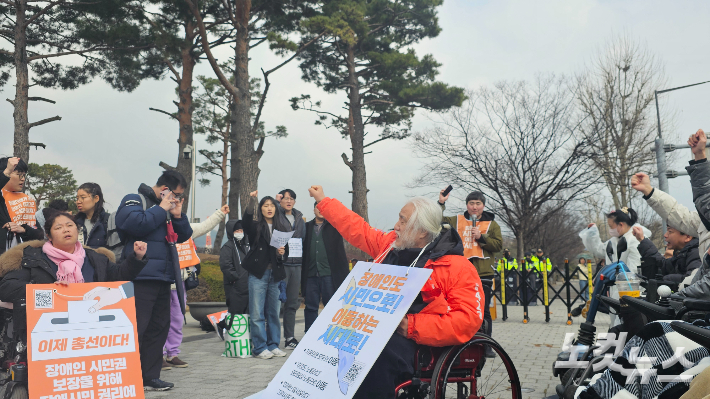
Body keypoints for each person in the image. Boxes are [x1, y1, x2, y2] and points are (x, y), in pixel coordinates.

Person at [309, 185, 483, 398]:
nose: (395, 226)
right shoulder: (390, 246)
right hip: (376, 329)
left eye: (402, 220)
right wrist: (323, 201)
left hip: (418, 343)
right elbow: (356, 228)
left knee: (373, 357)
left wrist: (411, 326)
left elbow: (467, 320)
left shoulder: (456, 266)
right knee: (331, 342)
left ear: (422, 231)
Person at [114, 170, 193, 391]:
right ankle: (127, 376)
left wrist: (177, 215)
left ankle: (150, 376)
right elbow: (132, 223)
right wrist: (161, 209)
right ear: (165, 189)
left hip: (164, 277)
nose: (176, 199)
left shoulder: (167, 208)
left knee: (158, 328)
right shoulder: (135, 199)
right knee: (137, 328)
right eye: (176, 195)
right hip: (140, 275)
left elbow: (183, 236)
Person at [0, 211, 148, 303]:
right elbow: (7, 288)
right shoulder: (33, 257)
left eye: (70, 225)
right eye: (58, 228)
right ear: (49, 236)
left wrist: (137, 257)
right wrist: (49, 292)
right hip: (47, 332)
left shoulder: (94, 257)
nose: (66, 230)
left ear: (77, 230)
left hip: (88, 328)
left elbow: (119, 275)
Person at [163, 204, 228, 370]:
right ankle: (159, 354)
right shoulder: (156, 228)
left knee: (177, 319)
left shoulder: (186, 228)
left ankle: (173, 354)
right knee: (160, 320)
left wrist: (220, 212)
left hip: (179, 282)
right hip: (161, 281)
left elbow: (205, 226)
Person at [439, 189, 501, 357]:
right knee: (460, 309)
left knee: (484, 310)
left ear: (483, 205)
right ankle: (461, 343)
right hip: (461, 273)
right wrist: (441, 203)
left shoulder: (492, 224)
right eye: (471, 203)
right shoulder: (458, 220)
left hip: (483, 273)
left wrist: (481, 238)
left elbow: (497, 246)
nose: (474, 207)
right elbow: (438, 220)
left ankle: (486, 344)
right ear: (467, 205)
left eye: (478, 204)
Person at [241, 190, 288, 360]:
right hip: (258, 273)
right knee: (257, 312)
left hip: (275, 274)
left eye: (271, 206)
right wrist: (252, 200)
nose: (269, 208)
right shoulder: (255, 226)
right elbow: (245, 222)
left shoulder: (281, 227)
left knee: (274, 312)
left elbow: (286, 253)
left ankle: (273, 344)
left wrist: (281, 252)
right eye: (265, 206)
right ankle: (260, 347)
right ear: (260, 209)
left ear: (276, 208)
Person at [301, 201, 349, 332]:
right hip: (310, 274)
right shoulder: (307, 227)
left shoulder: (334, 227)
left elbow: (340, 253)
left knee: (331, 305)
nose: (320, 210)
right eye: (318, 207)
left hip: (328, 274)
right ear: (314, 209)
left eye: (323, 208)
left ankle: (332, 332)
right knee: (310, 306)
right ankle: (310, 333)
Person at [274, 189, 306, 349]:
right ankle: (272, 339)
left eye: (291, 198)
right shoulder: (277, 215)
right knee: (276, 303)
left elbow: (304, 240)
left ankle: (289, 338)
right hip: (281, 265)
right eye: (285, 198)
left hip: (297, 266)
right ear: (280, 201)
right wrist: (275, 202)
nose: (288, 201)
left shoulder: (299, 218)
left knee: (292, 303)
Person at [0, 157, 44, 255]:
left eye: (24, 175)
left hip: (23, 259)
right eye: (18, 174)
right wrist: (7, 171)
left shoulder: (27, 200)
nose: (22, 178)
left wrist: (24, 230)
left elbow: (39, 235)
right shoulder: (2, 198)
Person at [634, 225, 700, 283]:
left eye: (670, 231)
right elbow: (662, 264)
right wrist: (642, 239)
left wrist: (664, 280)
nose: (665, 235)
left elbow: (692, 280)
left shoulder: (697, 253)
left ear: (687, 237)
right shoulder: (681, 254)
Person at [219, 219, 250, 325]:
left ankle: (245, 337)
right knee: (235, 314)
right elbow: (225, 265)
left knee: (247, 315)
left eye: (241, 230)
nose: (239, 232)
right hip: (235, 287)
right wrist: (236, 278)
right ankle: (224, 328)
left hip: (248, 286)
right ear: (231, 232)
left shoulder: (247, 246)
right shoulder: (228, 247)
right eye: (236, 231)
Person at [74, 183, 110, 249]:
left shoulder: (108, 221)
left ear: (96, 198)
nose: (78, 202)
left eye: (83, 197)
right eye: (77, 198)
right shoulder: (74, 222)